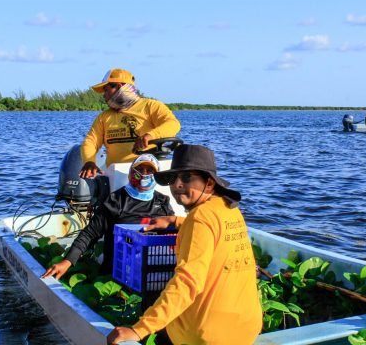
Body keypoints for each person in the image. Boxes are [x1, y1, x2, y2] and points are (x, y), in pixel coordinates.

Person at [107, 145, 262, 345]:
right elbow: (211, 230)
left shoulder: (200, 218)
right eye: (173, 179)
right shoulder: (228, 208)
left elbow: (188, 283)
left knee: (156, 307)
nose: (177, 185)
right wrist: (174, 221)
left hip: (205, 335)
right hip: (246, 328)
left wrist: (139, 330)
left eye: (187, 178)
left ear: (209, 183)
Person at [42, 154, 174, 279]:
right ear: (131, 173)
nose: (144, 174)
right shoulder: (116, 200)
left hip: (154, 268)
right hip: (119, 270)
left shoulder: (163, 201)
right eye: (140, 169)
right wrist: (67, 261)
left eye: (149, 170)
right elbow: (90, 233)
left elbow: (175, 235)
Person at [80, 68, 181, 178]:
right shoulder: (104, 117)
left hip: (147, 174)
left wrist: (150, 135)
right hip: (116, 176)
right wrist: (89, 162)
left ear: (118, 87)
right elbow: (91, 141)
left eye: (106, 90)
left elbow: (173, 124)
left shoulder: (151, 106)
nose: (104, 95)